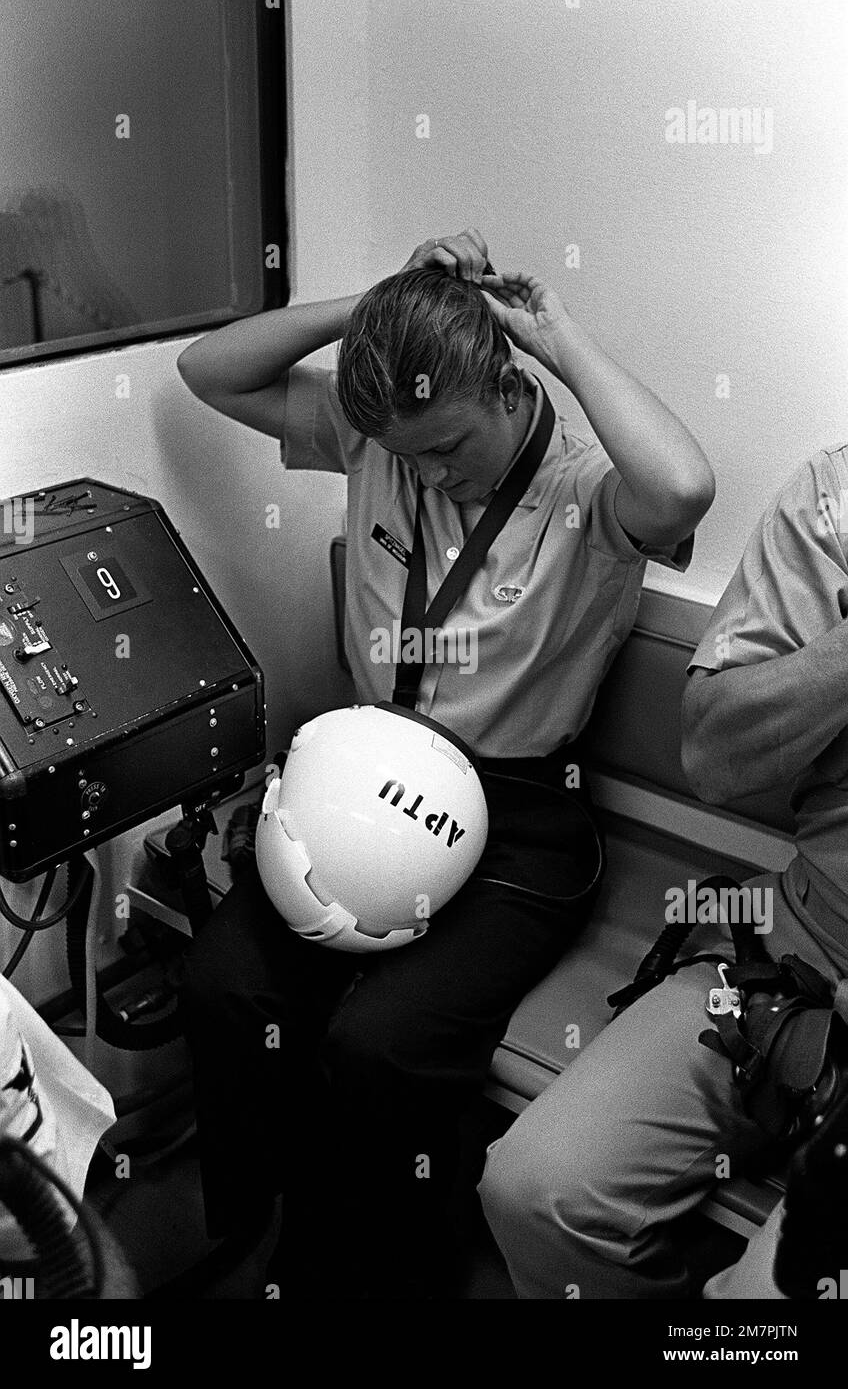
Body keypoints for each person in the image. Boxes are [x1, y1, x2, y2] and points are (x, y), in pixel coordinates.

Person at [174, 228, 714, 1297]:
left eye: (449, 448)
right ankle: (258, 1225)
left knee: (380, 1043)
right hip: (359, 781)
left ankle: (362, 1273)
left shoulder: (587, 489)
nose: (428, 474)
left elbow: (685, 487)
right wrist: (370, 303)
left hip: (516, 817)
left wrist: (556, 334)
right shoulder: (381, 434)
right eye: (409, 456)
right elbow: (206, 371)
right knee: (228, 984)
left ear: (507, 386)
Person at [479, 443, 848, 1298]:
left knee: (770, 1296)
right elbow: (715, 758)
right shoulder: (835, 498)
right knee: (539, 1192)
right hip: (801, 942)